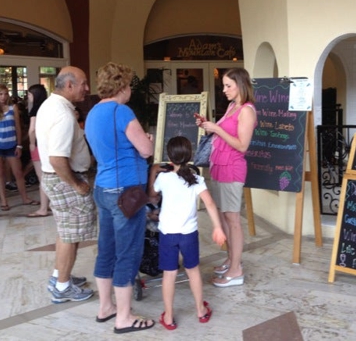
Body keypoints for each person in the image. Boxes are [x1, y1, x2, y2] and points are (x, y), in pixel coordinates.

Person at [84, 62, 155, 334]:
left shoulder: (93, 113)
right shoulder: (121, 111)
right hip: (125, 192)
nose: (129, 91)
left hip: (102, 188)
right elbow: (146, 150)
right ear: (122, 86)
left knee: (107, 249)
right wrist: (146, 138)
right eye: (127, 85)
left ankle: (106, 307)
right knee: (128, 252)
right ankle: (124, 317)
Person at [150, 136, 226, 330]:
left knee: (170, 274)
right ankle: (200, 310)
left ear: (169, 156)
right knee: (193, 271)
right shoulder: (196, 179)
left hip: (168, 234)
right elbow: (210, 203)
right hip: (188, 234)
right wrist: (217, 227)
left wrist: (153, 171)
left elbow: (152, 194)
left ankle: (168, 316)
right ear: (190, 156)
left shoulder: (163, 178)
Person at [36, 66, 96, 303]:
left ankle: (60, 275)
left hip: (57, 179)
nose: (87, 88)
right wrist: (77, 185)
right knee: (70, 236)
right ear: (69, 85)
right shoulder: (62, 114)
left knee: (66, 233)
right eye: (83, 83)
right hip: (66, 179)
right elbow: (57, 159)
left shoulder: (51, 105)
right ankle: (62, 287)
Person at [195, 68, 256, 287]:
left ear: (240, 85)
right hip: (219, 167)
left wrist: (217, 130)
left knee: (233, 220)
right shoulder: (232, 107)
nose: (224, 90)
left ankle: (236, 269)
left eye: (228, 85)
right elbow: (222, 132)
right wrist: (208, 126)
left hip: (232, 169)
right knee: (224, 218)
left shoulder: (247, 111)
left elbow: (242, 145)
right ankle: (232, 259)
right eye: (224, 85)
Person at [0, 84, 39, 211]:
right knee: (1, 174)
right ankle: (4, 201)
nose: (4, 97)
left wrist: (19, 145)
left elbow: (17, 127)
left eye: (5, 93)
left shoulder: (13, 107)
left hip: (12, 145)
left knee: (18, 173)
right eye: (1, 94)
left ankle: (25, 198)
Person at [26, 84, 51, 218]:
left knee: (42, 178)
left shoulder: (35, 109)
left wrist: (31, 143)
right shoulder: (49, 107)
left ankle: (43, 208)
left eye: (29, 94)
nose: (28, 97)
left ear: (34, 95)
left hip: (38, 146)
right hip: (49, 145)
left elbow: (32, 129)